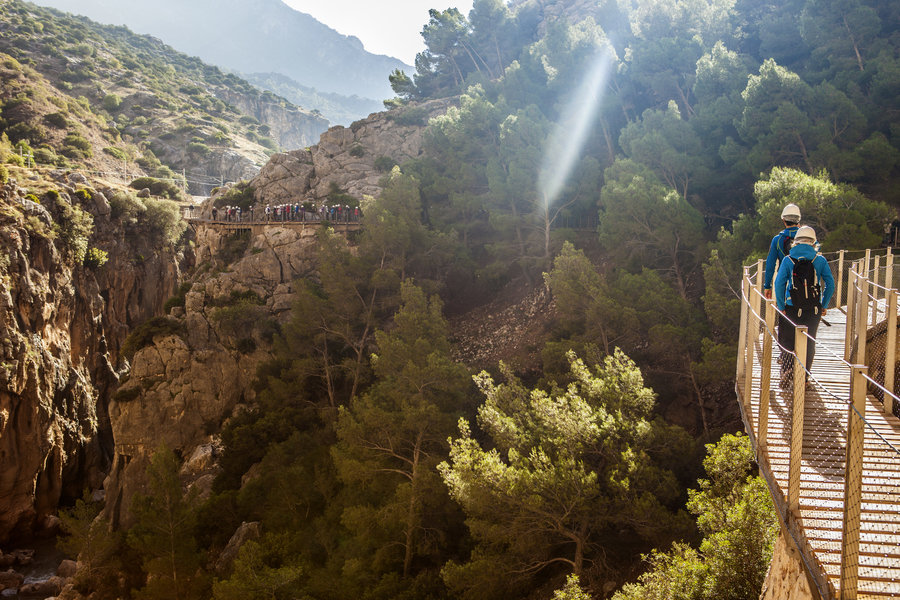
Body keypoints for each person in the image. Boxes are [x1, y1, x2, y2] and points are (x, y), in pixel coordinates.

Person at [774, 225, 835, 388]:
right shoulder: (819, 260)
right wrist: (823, 304)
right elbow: (830, 284)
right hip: (813, 309)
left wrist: (781, 305)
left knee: (787, 340)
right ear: (813, 242)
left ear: (797, 242)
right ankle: (804, 377)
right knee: (809, 342)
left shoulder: (788, 260)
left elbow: (779, 284)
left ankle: (787, 370)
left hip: (791, 307)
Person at [764, 203, 801, 299]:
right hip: (805, 281)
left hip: (784, 282)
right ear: (798, 220)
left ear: (783, 220)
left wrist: (767, 286)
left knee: (784, 311)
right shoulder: (808, 238)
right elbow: (817, 250)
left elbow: (770, 264)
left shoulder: (777, 239)